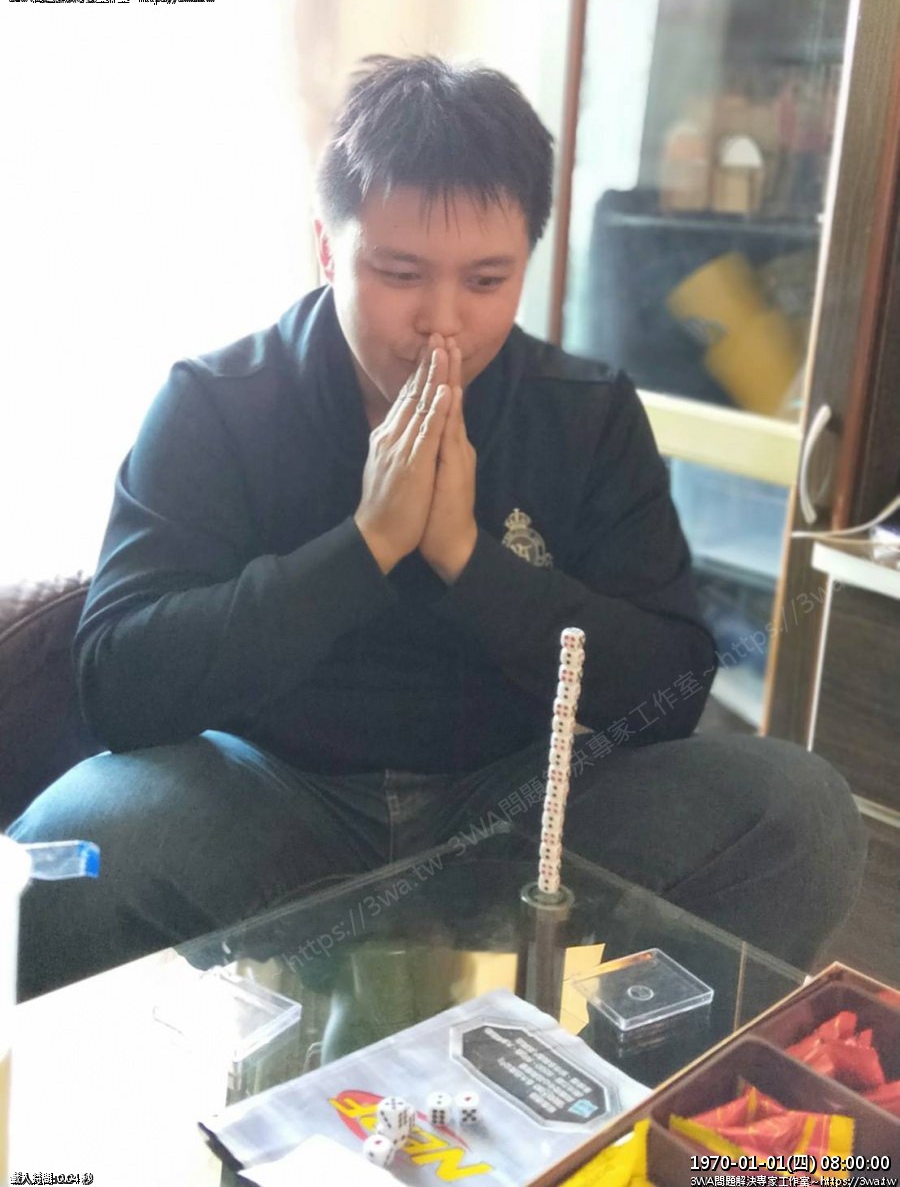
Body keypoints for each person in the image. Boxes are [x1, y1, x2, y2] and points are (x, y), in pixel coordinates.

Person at [8, 55, 864, 1000]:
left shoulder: (584, 412)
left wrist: (465, 558)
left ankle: (625, 1063)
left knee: (804, 814)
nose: (442, 324)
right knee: (59, 853)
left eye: (488, 280)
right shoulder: (220, 402)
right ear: (327, 249)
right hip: (275, 803)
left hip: (514, 808)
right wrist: (366, 545)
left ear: (528, 262)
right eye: (398, 273)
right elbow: (117, 685)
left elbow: (672, 689)